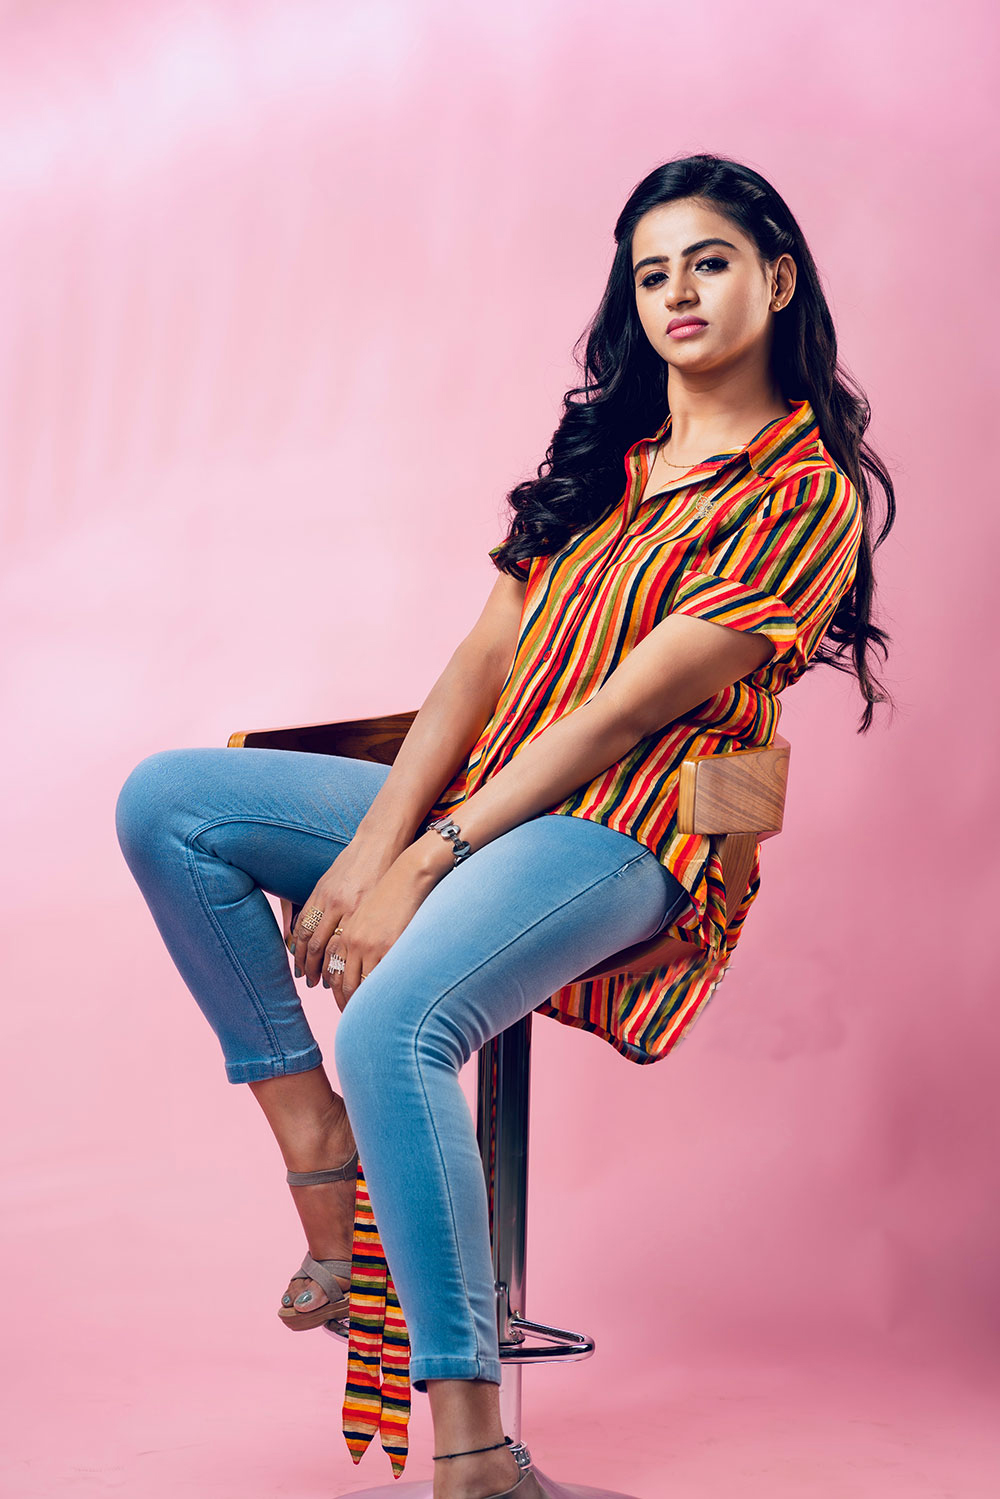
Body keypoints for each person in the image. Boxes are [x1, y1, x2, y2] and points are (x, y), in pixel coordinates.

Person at [115, 152, 895, 1499]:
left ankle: (476, 1459)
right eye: (651, 274)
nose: (677, 293)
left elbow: (621, 713)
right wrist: (374, 848)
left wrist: (425, 859)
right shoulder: (609, 462)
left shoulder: (804, 494)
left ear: (776, 281)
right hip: (488, 793)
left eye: (708, 262)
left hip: (625, 832)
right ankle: (321, 1154)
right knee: (169, 803)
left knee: (395, 1024)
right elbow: (482, 663)